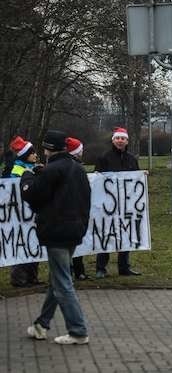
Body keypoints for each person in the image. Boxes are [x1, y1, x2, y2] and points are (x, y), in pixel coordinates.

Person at [21, 129, 91, 345]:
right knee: (57, 279)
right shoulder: (77, 169)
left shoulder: (52, 170)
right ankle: (41, 325)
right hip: (74, 230)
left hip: (56, 232)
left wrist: (28, 177)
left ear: (48, 149)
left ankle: (78, 330)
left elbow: (32, 194)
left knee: (62, 281)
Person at [95, 127, 142, 278]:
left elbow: (136, 180)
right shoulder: (104, 158)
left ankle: (124, 267)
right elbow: (98, 180)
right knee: (107, 234)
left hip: (126, 205)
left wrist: (142, 176)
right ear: (113, 140)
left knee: (126, 234)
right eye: (117, 138)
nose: (120, 141)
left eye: (123, 139)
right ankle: (101, 268)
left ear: (127, 141)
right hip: (108, 205)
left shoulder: (131, 159)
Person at [8, 136, 42, 287]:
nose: (36, 155)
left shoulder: (31, 168)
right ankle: (19, 278)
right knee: (21, 244)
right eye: (32, 153)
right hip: (20, 215)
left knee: (33, 244)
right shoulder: (17, 171)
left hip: (32, 213)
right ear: (24, 155)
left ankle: (32, 277)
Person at [66, 137, 89, 281]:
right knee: (71, 245)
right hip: (72, 212)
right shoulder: (74, 167)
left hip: (74, 211)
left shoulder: (75, 166)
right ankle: (73, 271)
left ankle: (75, 270)